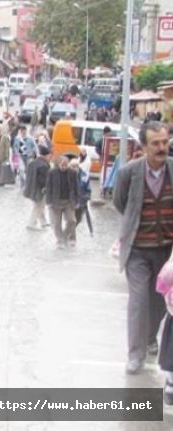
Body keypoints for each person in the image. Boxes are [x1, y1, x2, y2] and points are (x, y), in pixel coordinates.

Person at [114, 121, 172, 375]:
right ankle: (135, 354)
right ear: (144, 146)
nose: (162, 147)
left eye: (165, 141)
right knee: (138, 301)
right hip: (137, 249)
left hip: (167, 251)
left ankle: (149, 337)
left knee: (160, 302)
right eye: (155, 143)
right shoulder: (129, 172)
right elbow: (120, 203)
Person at [45, 155, 79, 249]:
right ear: (58, 164)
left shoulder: (72, 173)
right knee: (57, 223)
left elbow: (76, 187)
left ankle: (64, 236)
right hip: (56, 201)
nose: (64, 167)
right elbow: (49, 187)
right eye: (62, 165)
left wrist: (76, 200)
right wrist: (48, 201)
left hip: (68, 201)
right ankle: (60, 241)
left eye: (66, 165)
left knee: (72, 221)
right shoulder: (52, 173)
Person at [24, 145, 51, 230]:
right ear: (46, 155)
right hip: (39, 189)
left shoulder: (32, 163)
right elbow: (44, 180)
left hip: (30, 187)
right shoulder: (44, 165)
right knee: (39, 206)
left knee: (38, 205)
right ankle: (31, 223)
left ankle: (44, 222)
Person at [68, 158, 91, 242]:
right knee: (71, 220)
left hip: (81, 202)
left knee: (78, 220)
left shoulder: (84, 176)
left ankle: (68, 233)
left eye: (76, 166)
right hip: (69, 203)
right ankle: (72, 238)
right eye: (73, 166)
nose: (75, 168)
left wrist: (87, 196)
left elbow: (88, 189)